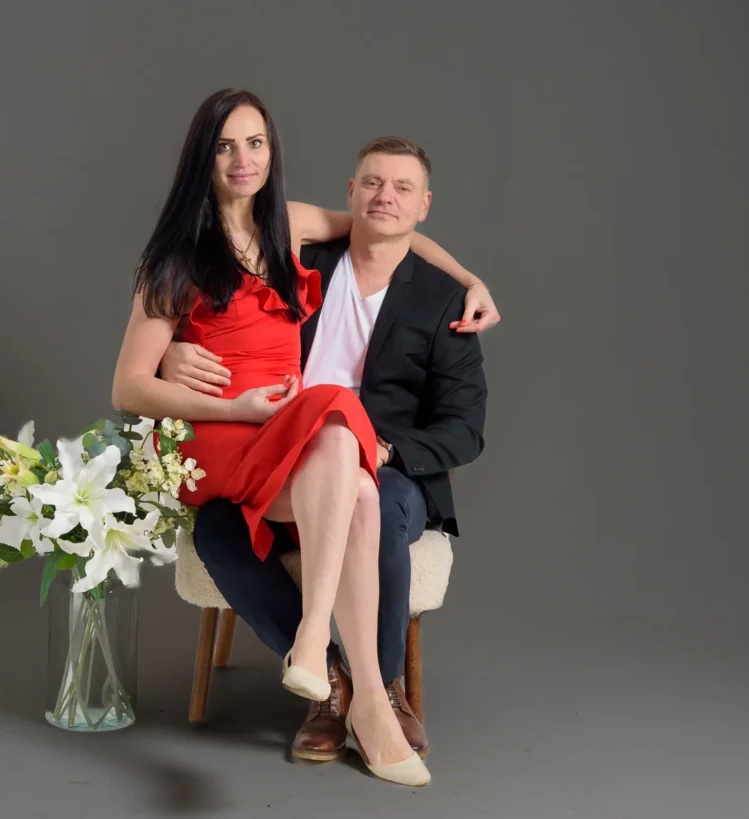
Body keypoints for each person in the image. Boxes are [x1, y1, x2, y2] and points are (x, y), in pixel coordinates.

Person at [111, 88, 494, 787]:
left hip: (316, 440)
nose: (243, 158)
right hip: (235, 430)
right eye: (226, 144)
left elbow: (388, 228)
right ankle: (348, 677)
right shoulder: (185, 255)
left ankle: (343, 676)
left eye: (255, 143)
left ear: (272, 152)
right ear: (204, 155)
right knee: (336, 426)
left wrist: (470, 278)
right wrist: (191, 370)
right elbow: (132, 381)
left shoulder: (291, 227)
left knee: (352, 475)